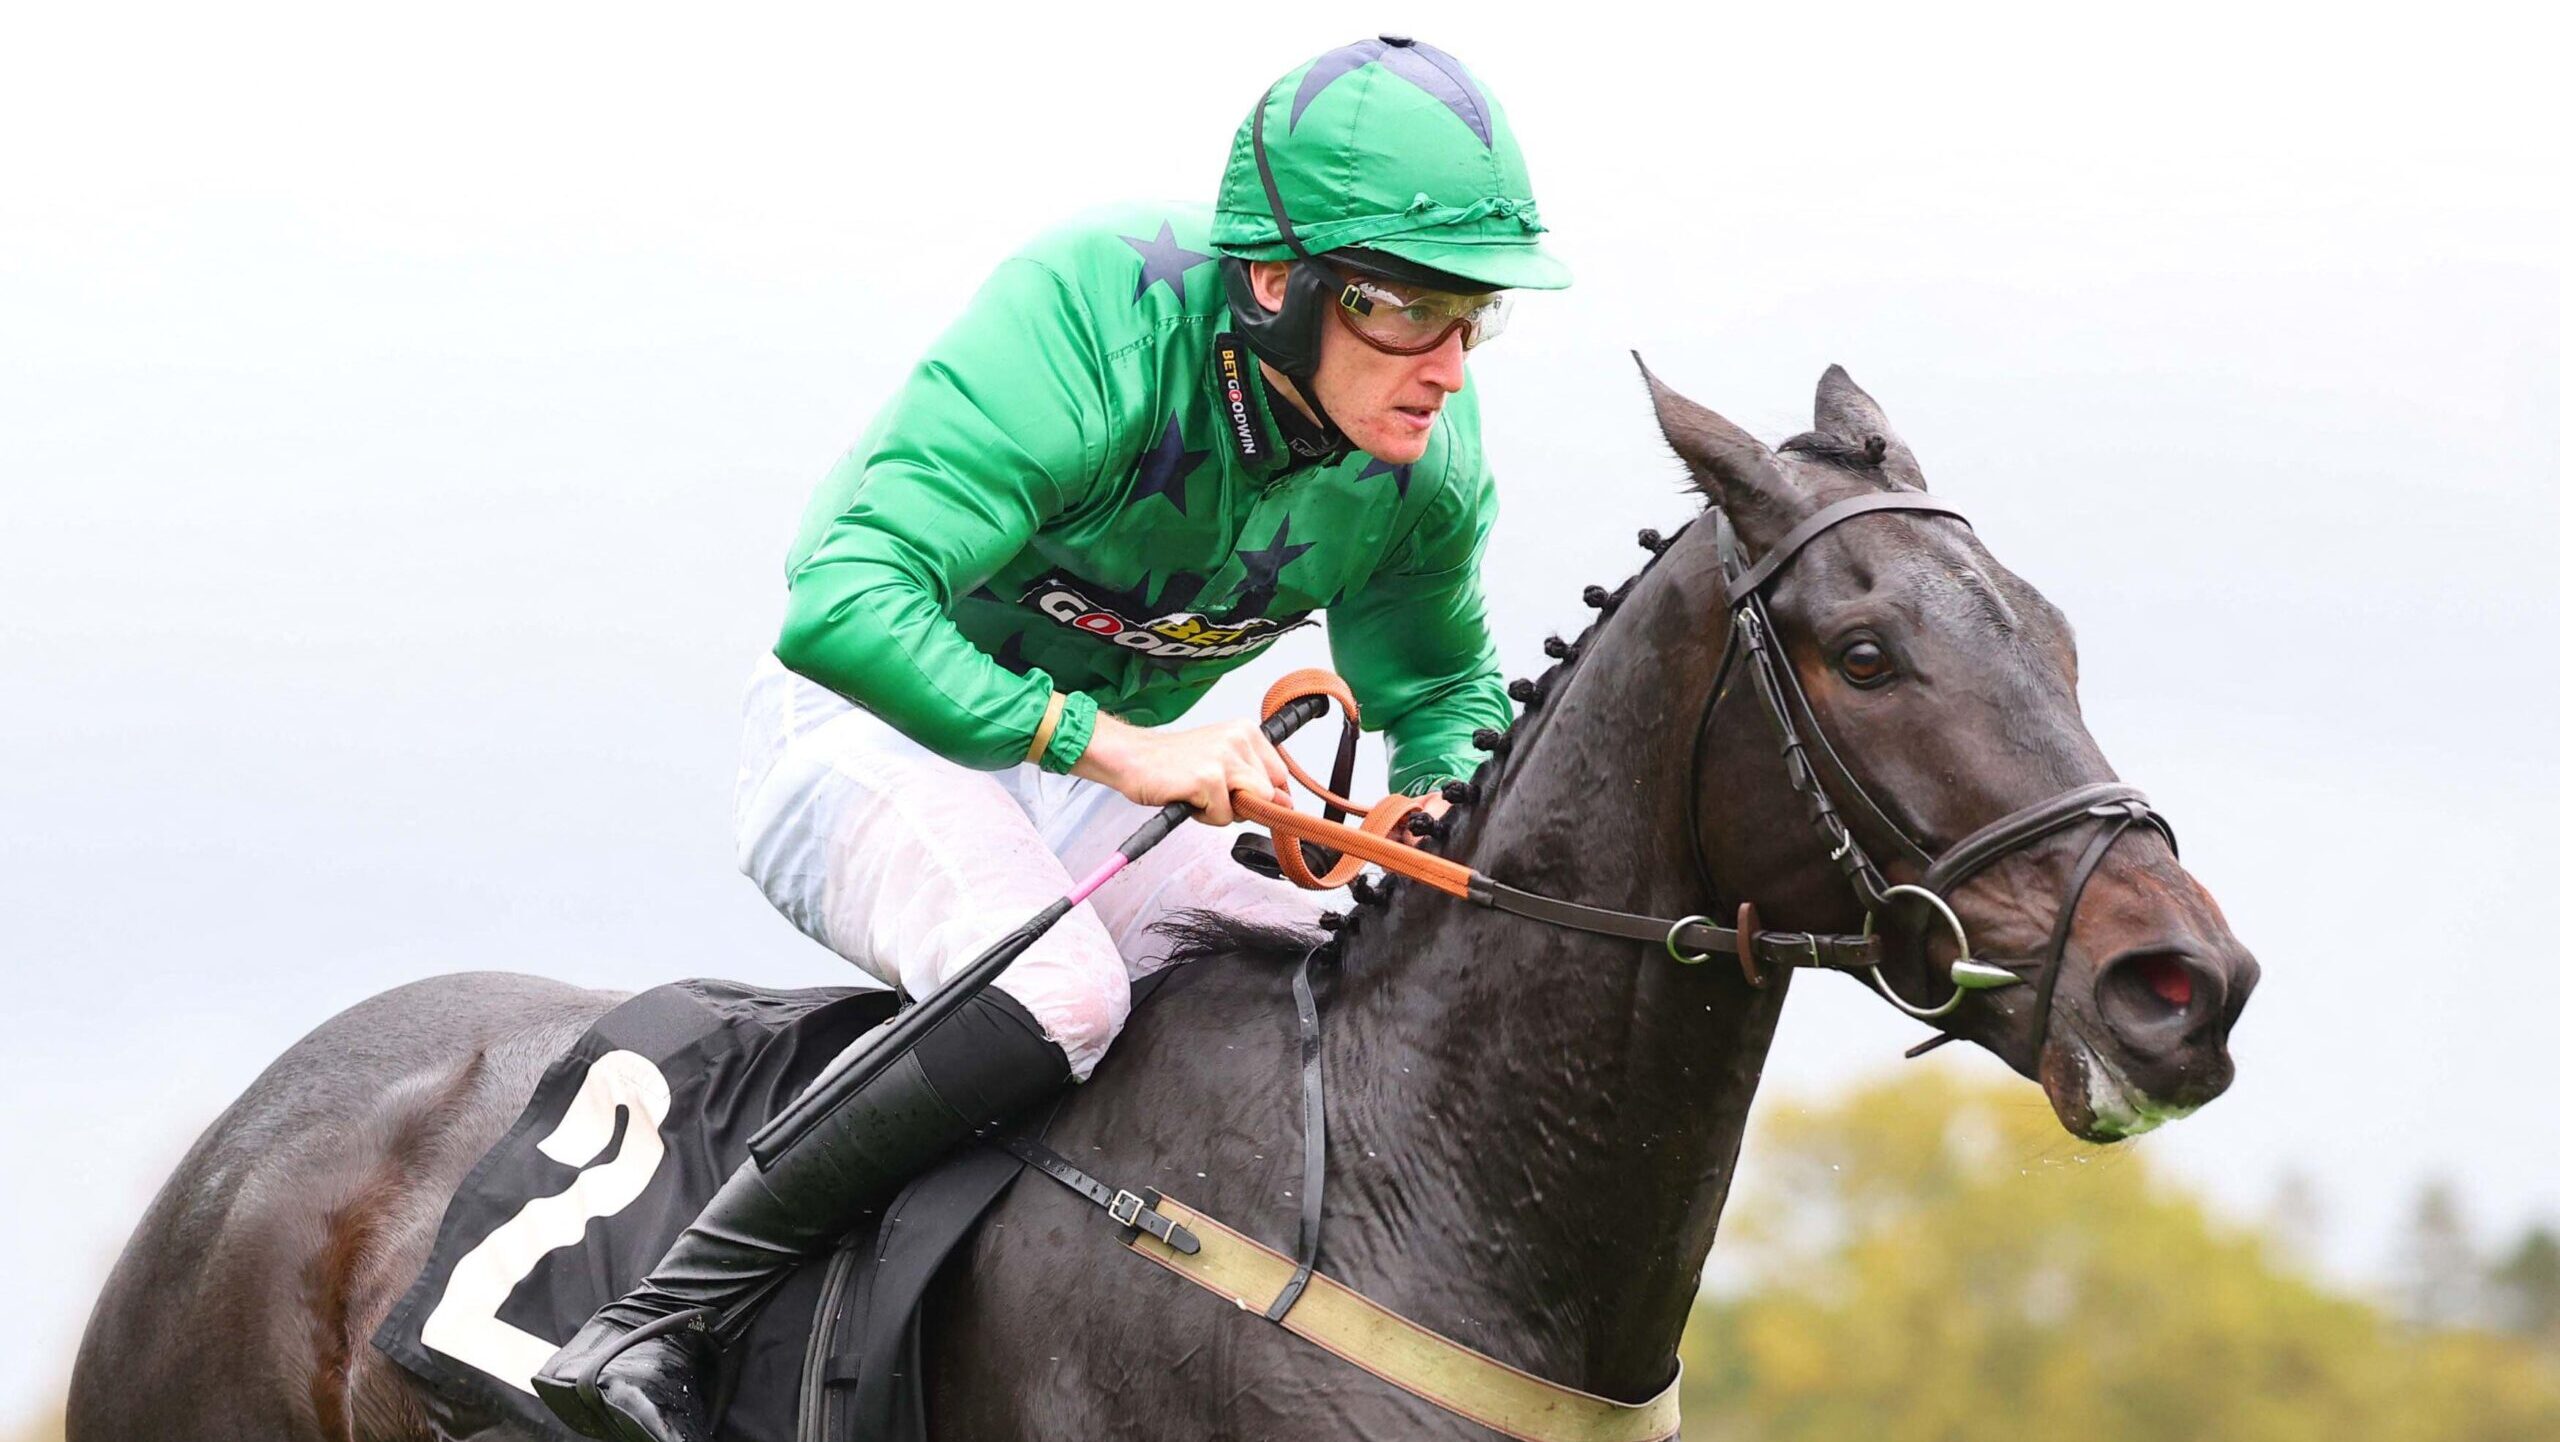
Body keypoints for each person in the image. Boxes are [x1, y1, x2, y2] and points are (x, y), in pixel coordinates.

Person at [534, 34, 1569, 1442]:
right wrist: (1121, 746)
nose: (1447, 366)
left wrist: (1437, 803)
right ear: (1277, 282)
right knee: (1067, 992)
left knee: (1338, 975)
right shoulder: (1094, 316)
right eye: (1406, 310)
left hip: (1080, 787)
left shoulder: (1419, 467)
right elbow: (840, 599)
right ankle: (652, 1319)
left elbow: (1441, 691)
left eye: (1475, 317)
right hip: (865, 731)